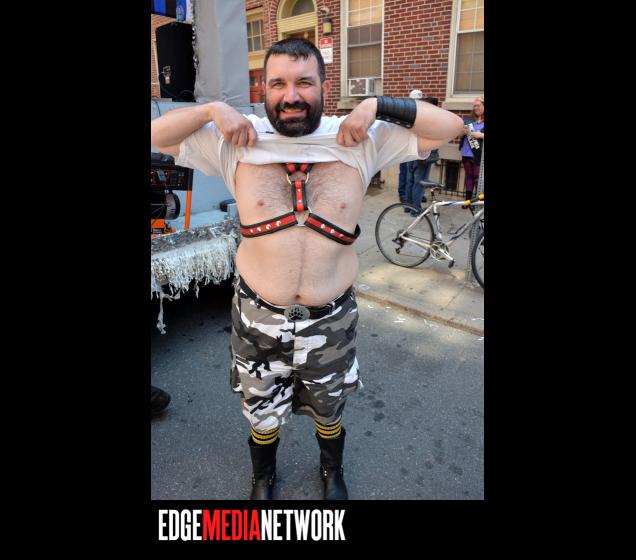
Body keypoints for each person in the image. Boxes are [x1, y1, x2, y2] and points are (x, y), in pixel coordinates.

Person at [150, 38, 464, 500]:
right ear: (264, 88)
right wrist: (212, 110)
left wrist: (376, 105)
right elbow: (157, 136)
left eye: (304, 82)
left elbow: (452, 126)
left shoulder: (360, 139)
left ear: (323, 86)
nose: (290, 95)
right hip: (258, 316)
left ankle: (332, 470)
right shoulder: (237, 140)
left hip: (331, 317)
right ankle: (263, 477)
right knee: (260, 407)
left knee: (329, 404)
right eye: (277, 83)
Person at [398, 90, 439, 215]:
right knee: (419, 183)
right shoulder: (425, 117)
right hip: (421, 154)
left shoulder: (407, 114)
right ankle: (415, 210)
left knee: (410, 181)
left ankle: (408, 207)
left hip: (409, 152)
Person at [458, 96, 484, 202]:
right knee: (469, 176)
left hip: (478, 153)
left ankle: (478, 201)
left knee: (478, 177)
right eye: (475, 106)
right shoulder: (468, 119)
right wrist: (462, 132)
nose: (476, 108)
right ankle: (467, 201)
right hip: (466, 152)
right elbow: (459, 135)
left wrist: (480, 135)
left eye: (478, 106)